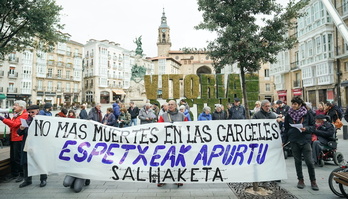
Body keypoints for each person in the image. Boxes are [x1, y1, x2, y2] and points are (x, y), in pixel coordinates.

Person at [283, 96, 318, 191]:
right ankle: (300, 180)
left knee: (309, 162)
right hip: (294, 140)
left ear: (300, 105)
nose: (293, 106)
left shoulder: (308, 113)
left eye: (295, 104)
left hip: (305, 140)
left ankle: (313, 181)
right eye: (292, 104)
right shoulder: (289, 114)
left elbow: (313, 127)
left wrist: (306, 129)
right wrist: (284, 141)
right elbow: (286, 128)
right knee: (297, 162)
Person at [157, 100, 187, 187]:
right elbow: (159, 127)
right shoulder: (163, 116)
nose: (170, 106)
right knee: (164, 161)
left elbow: (187, 127)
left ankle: (178, 178)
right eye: (169, 104)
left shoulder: (182, 116)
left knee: (178, 161)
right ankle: (162, 179)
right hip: (166, 142)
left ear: (176, 106)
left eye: (172, 104)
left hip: (178, 142)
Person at [17, 105, 47, 188]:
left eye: (32, 112)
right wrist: (21, 129)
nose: (30, 114)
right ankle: (27, 180)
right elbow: (19, 133)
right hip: (27, 145)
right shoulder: (27, 120)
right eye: (29, 112)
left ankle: (43, 179)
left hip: (39, 145)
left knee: (40, 162)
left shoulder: (43, 119)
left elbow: (46, 131)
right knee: (25, 163)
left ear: (37, 111)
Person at [0, 100, 28, 183]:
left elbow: (14, 125)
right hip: (14, 138)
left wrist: (3, 119)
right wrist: (8, 118)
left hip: (19, 139)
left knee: (18, 157)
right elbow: (12, 124)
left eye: (16, 105)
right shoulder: (18, 115)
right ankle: (14, 173)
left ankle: (21, 174)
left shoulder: (24, 115)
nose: (14, 107)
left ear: (21, 107)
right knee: (13, 157)